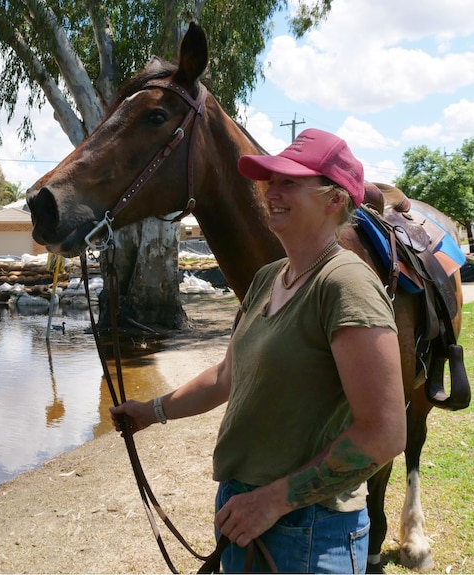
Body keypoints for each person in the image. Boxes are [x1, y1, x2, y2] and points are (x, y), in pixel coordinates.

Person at [110, 128, 406, 573]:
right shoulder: (269, 277)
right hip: (242, 508)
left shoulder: (346, 285)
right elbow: (228, 376)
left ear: (336, 199)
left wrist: (273, 502)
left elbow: (383, 434)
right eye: (270, 180)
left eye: (290, 182)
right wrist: (150, 411)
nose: (271, 191)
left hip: (308, 529)